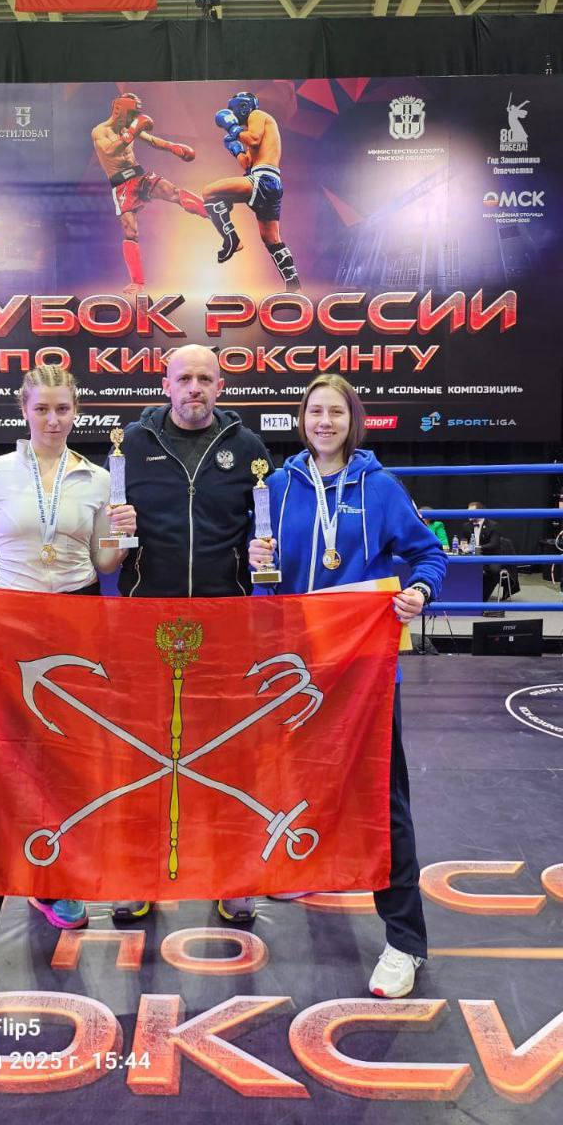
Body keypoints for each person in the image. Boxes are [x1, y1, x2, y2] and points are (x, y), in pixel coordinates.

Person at [0, 364, 137, 1004]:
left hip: (77, 629)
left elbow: (101, 561)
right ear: (24, 409)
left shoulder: (98, 478)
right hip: (7, 630)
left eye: (63, 409)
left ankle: (52, 881)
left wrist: (119, 541)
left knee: (65, 772)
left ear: (76, 411)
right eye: (42, 408)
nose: (53, 419)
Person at [248, 374, 446, 999]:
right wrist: (256, 564)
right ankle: (311, 867)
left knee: (383, 800)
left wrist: (419, 591)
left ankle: (405, 941)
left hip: (364, 669)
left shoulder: (379, 486)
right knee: (301, 783)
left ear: (352, 420)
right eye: (315, 411)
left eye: (336, 411)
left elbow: (430, 554)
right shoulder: (277, 486)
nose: (325, 422)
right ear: (302, 419)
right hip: (298, 669)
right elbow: (262, 573)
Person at [114, 343, 274, 924]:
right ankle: (139, 873)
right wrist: (112, 528)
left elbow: (263, 530)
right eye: (184, 378)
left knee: (226, 752)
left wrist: (261, 552)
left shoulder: (248, 448)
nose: (194, 388)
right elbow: (106, 532)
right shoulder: (131, 445)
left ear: (220, 386)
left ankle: (232, 875)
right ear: (166, 384)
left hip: (224, 621)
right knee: (142, 753)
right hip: (145, 620)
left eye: (205, 378)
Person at [91, 91, 207, 295]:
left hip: (139, 175)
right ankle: (137, 282)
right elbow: (109, 151)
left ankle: (213, 213)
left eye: (136, 114)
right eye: (132, 113)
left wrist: (172, 147)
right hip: (121, 184)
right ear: (120, 111)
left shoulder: (129, 127)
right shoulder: (100, 131)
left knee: (172, 191)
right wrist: (131, 132)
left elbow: (152, 140)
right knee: (130, 231)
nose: (134, 118)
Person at [202, 90, 300, 291]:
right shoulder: (250, 129)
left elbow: (253, 139)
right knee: (272, 240)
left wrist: (232, 128)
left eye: (233, 109)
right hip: (268, 182)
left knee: (209, 192)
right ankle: (295, 287)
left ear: (243, 106)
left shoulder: (257, 115)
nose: (232, 113)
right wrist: (236, 149)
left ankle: (232, 239)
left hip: (263, 179)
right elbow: (247, 164)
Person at [462, 502, 502, 600]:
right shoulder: (466, 526)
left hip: (490, 556)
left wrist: (476, 548)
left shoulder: (493, 525)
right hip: (471, 556)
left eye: (471, 512)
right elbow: (464, 541)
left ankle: (482, 599)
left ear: (480, 512)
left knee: (494, 571)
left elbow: (494, 544)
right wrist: (463, 545)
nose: (468, 514)